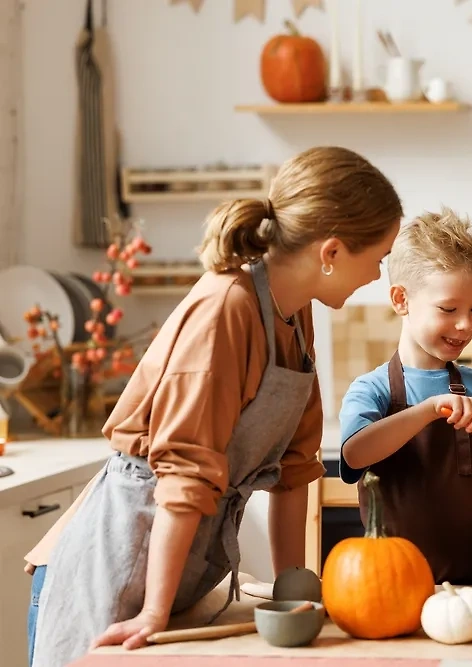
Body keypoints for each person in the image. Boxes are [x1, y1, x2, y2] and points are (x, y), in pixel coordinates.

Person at [24, 146, 403, 666]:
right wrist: (154, 612)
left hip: (181, 570)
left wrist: (293, 593)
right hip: (117, 563)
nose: (378, 276)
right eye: (378, 259)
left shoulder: (295, 316)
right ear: (331, 253)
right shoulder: (226, 307)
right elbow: (183, 472)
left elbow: (294, 470)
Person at [338, 208, 472, 585]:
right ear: (401, 300)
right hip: (393, 593)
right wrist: (429, 410)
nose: (466, 324)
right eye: (448, 309)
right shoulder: (371, 390)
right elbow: (354, 453)